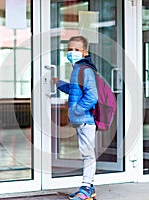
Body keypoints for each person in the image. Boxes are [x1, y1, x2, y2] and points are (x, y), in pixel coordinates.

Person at [53, 36, 98, 200]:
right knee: (85, 152)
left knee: (88, 154)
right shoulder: (77, 69)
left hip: (86, 119)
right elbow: (74, 90)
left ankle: (86, 188)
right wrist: (58, 83)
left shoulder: (84, 70)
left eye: (77, 50)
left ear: (85, 52)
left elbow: (92, 96)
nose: (72, 52)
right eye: (69, 49)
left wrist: (77, 111)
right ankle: (90, 188)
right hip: (80, 119)